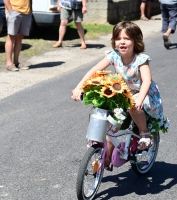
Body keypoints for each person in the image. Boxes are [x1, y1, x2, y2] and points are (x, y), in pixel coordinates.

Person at [72, 21, 164, 169]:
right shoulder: (114, 55)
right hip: (123, 93)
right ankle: (105, 161)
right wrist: (80, 87)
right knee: (110, 128)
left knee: (133, 106)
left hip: (142, 93)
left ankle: (144, 132)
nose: (122, 42)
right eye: (118, 38)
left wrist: (140, 99)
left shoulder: (141, 59)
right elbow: (95, 69)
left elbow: (146, 81)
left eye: (127, 38)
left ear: (135, 41)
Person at [3, 0, 32, 71]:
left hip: (27, 12)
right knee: (11, 37)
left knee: (20, 37)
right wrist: (10, 9)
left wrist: (30, 9)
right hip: (14, 11)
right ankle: (9, 63)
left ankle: (16, 62)